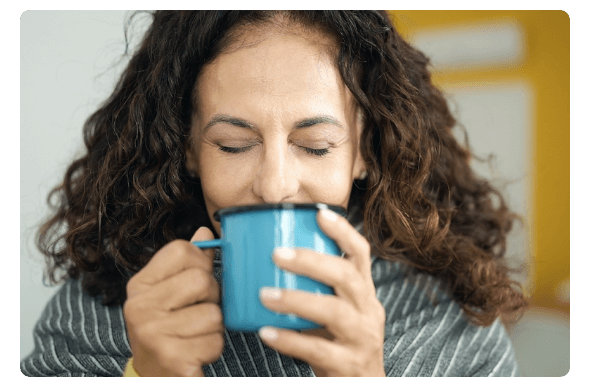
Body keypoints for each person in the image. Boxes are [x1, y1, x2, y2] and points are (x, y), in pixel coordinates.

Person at [20, 10, 529, 377]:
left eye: (315, 145)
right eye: (234, 144)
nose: (275, 185)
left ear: (364, 153)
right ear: (189, 148)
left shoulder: (448, 321)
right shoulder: (105, 309)